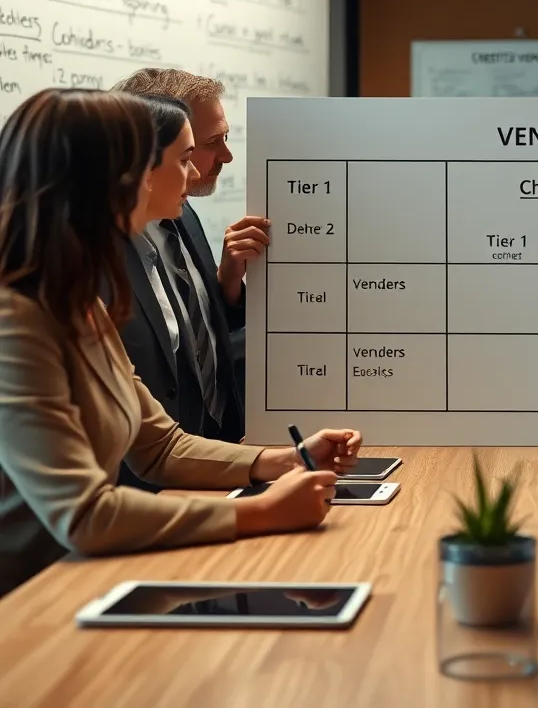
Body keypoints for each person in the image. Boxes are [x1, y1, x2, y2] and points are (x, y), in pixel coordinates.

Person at [0, 89, 361, 597]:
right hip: (31, 604)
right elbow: (84, 515)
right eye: (182, 159)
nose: (192, 176)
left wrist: (287, 459)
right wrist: (259, 510)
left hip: (88, 583)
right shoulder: (16, 317)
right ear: (121, 178)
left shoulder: (81, 301)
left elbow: (160, 446)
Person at [112, 68, 269, 424]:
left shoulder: (183, 212)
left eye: (226, 137)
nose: (227, 156)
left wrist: (226, 283)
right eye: (209, 143)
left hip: (216, 447)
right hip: (150, 468)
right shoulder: (93, 255)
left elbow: (199, 339)